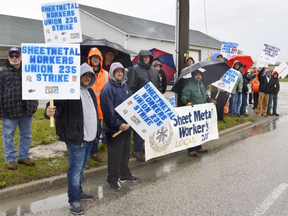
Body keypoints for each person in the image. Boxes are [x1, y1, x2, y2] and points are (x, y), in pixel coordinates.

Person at [45, 63, 101, 215]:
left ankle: (79, 191)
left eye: (90, 76)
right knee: (75, 170)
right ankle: (74, 200)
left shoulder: (90, 92)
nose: (87, 78)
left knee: (82, 167)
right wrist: (49, 111)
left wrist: (98, 131)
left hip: (90, 137)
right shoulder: (68, 91)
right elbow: (57, 108)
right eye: (84, 75)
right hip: (76, 137)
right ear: (78, 77)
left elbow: (94, 113)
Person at [100, 62, 140, 191]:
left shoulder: (125, 87)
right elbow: (108, 111)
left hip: (126, 127)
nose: (119, 73)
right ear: (112, 73)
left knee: (124, 153)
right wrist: (118, 124)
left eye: (121, 71)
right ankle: (112, 179)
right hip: (115, 129)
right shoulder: (108, 89)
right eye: (116, 71)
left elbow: (130, 105)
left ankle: (125, 174)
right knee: (115, 156)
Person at [0, 47, 38, 170]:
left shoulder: (29, 71)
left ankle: (23, 156)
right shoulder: (2, 72)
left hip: (26, 110)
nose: (15, 58)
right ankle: (10, 159)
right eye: (12, 56)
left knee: (26, 135)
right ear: (8, 58)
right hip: (9, 111)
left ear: (21, 57)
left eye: (17, 56)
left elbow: (36, 88)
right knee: (8, 136)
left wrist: (34, 105)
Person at [127, 49, 161, 162]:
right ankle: (137, 149)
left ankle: (148, 148)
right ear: (141, 58)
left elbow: (158, 87)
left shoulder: (154, 70)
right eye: (144, 57)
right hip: (140, 105)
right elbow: (130, 89)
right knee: (139, 128)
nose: (146, 59)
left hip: (153, 104)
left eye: (148, 57)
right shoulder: (134, 70)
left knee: (151, 127)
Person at [181, 70, 216, 157]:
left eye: (200, 74)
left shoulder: (202, 84)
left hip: (202, 112)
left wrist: (210, 100)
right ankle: (191, 149)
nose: (198, 76)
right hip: (193, 112)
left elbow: (205, 95)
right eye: (196, 75)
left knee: (200, 130)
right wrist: (187, 101)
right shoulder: (189, 85)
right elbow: (184, 95)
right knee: (192, 131)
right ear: (193, 76)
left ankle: (198, 147)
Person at [87, 47, 110, 162]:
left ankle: (94, 152)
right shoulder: (85, 72)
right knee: (86, 130)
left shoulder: (106, 74)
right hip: (87, 108)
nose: (95, 60)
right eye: (93, 58)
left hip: (100, 108)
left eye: (97, 58)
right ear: (89, 59)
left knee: (97, 131)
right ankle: (86, 150)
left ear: (100, 59)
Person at [211, 54, 229, 123]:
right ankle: (214, 118)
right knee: (215, 104)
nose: (219, 59)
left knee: (221, 104)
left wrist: (223, 87)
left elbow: (227, 79)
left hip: (223, 90)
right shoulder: (213, 68)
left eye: (220, 58)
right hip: (214, 90)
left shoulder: (225, 68)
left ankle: (220, 118)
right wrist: (216, 86)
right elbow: (212, 79)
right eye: (218, 58)